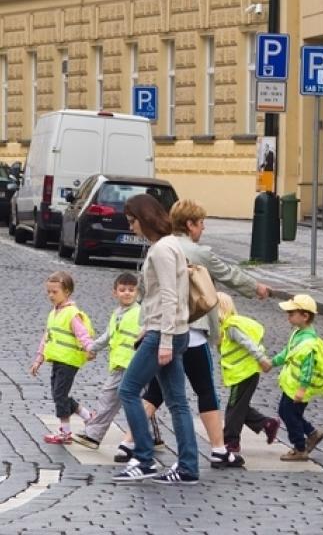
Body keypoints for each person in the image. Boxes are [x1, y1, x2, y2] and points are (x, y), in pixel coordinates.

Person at [116, 199, 276, 468]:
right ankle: (215, 449)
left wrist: (150, 327)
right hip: (190, 332)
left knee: (158, 392)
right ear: (190, 225)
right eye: (201, 223)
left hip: (166, 331)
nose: (202, 229)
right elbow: (227, 275)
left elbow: (148, 293)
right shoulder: (190, 251)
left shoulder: (162, 246)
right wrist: (256, 287)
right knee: (202, 392)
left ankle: (131, 442)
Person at [113, 193, 199, 485]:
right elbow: (159, 297)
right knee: (177, 402)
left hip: (166, 333)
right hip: (170, 331)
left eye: (132, 221)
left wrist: (162, 339)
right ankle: (188, 467)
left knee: (127, 390)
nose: (131, 227)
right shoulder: (170, 244)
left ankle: (145, 458)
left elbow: (168, 296)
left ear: (144, 219)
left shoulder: (162, 249)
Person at [73, 273, 141, 450]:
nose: (127, 293)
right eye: (122, 290)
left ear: (137, 292)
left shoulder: (140, 313)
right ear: (115, 293)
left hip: (135, 364)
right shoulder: (117, 313)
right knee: (119, 399)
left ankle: (94, 435)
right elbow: (109, 335)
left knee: (117, 399)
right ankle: (94, 435)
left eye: (131, 290)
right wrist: (93, 348)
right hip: (120, 364)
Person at [29, 271, 95, 444]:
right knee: (59, 394)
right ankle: (88, 416)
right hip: (58, 360)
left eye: (55, 292)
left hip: (69, 360)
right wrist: (39, 358)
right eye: (48, 292)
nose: (51, 295)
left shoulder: (72, 313)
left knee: (59, 394)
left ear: (67, 292)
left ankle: (65, 433)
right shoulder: (54, 313)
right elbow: (47, 336)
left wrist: (90, 348)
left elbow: (83, 334)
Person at [215, 292, 276, 465]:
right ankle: (267, 424)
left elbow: (249, 343)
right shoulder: (224, 329)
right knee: (239, 406)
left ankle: (231, 441)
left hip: (246, 373)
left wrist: (262, 360)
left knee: (234, 408)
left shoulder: (231, 327)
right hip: (242, 374)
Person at [267, 294, 323, 461]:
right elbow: (288, 353)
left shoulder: (308, 342)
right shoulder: (298, 334)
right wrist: (272, 362)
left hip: (298, 388)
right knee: (287, 412)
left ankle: (300, 448)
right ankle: (312, 433)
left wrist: (302, 389)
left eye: (292, 313)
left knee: (289, 414)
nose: (288, 316)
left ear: (305, 316)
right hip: (291, 385)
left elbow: (308, 369)